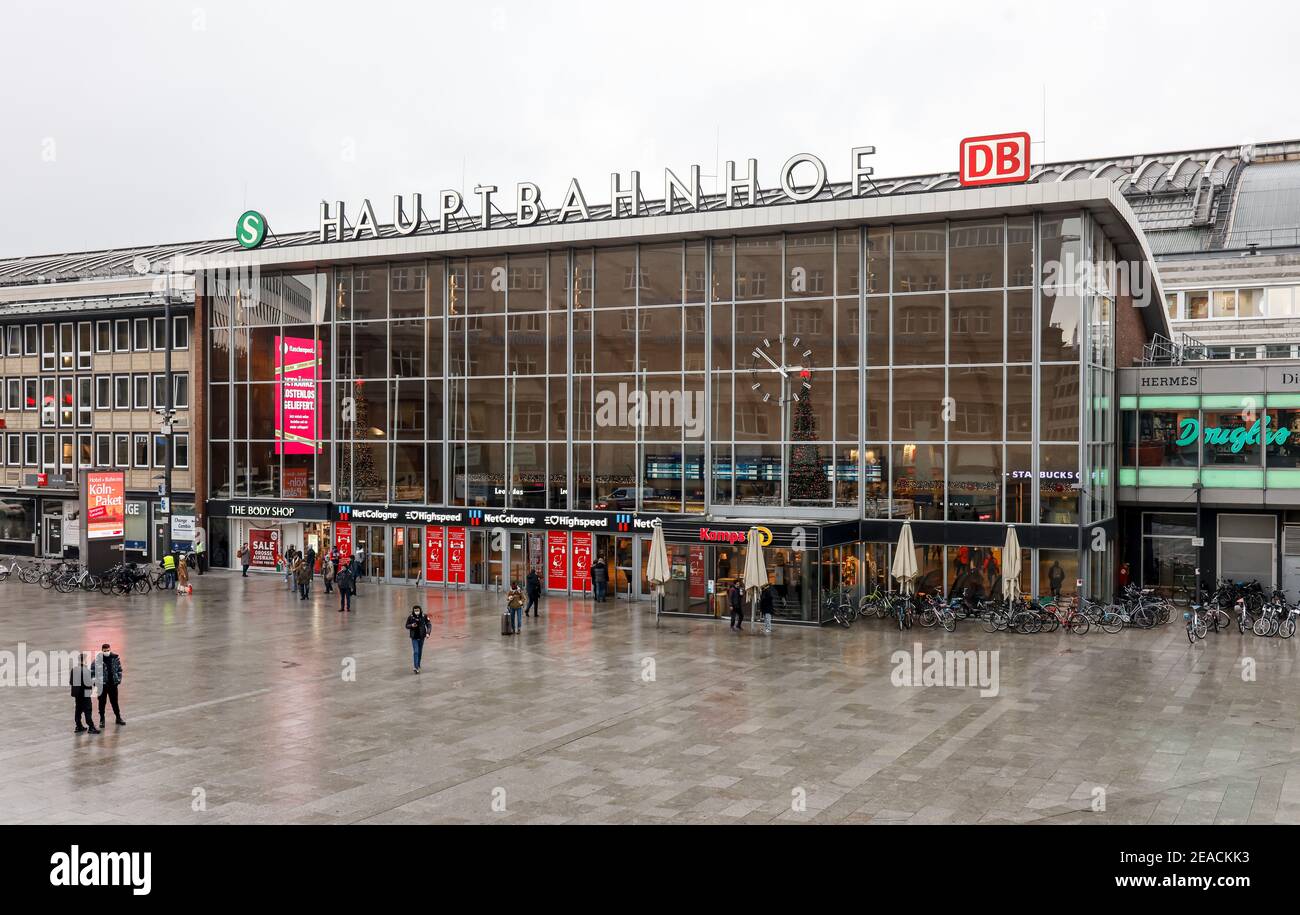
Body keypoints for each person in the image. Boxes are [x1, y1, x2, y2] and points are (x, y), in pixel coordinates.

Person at [90, 643, 125, 728]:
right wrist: (96, 683)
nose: (107, 652)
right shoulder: (97, 660)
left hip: (113, 685)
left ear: (110, 649)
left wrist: (118, 680)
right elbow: (92, 673)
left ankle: (118, 718)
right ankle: (102, 720)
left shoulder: (115, 658)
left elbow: (119, 670)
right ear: (102, 651)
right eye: (105, 651)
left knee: (114, 702)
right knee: (102, 703)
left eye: (108, 650)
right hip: (102, 686)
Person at [71, 653, 98, 734]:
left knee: (78, 710)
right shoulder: (86, 670)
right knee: (88, 710)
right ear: (85, 660)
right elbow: (89, 683)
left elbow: (71, 682)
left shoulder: (74, 669)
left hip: (77, 694)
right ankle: (91, 727)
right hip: (85, 694)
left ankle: (78, 726)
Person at [405, 605, 432, 673]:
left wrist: (428, 633)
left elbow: (429, 625)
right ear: (413, 611)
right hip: (414, 637)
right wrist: (411, 625)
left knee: (420, 652)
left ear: (420, 610)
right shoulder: (411, 617)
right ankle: (415, 667)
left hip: (421, 637)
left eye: (418, 610)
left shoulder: (424, 616)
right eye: (415, 610)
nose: (416, 612)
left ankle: (418, 664)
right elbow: (406, 625)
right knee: (416, 651)